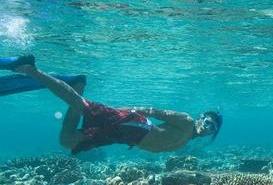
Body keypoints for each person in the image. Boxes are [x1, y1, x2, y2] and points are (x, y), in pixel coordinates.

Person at [12, 56, 222, 154]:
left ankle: (78, 85)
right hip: (132, 125)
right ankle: (30, 70)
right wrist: (122, 111)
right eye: (207, 120)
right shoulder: (186, 121)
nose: (207, 126)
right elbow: (153, 111)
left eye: (212, 126)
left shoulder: (188, 139)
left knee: (67, 141)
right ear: (200, 116)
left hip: (123, 137)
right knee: (81, 105)